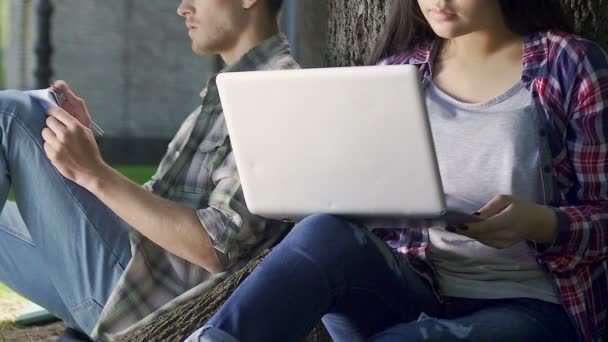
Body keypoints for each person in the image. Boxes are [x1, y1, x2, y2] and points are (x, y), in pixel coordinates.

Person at [188, 1, 607, 341]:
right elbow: (361, 223)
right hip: (415, 289)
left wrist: (543, 222)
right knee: (322, 231)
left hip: (529, 307)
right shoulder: (395, 75)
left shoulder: (571, 64)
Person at [0, 0, 297, 340]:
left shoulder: (272, 93)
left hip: (145, 305)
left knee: (10, 116)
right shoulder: (228, 90)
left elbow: (216, 248)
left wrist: (95, 174)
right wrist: (88, 155)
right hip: (130, 275)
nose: (183, 8)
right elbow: (152, 208)